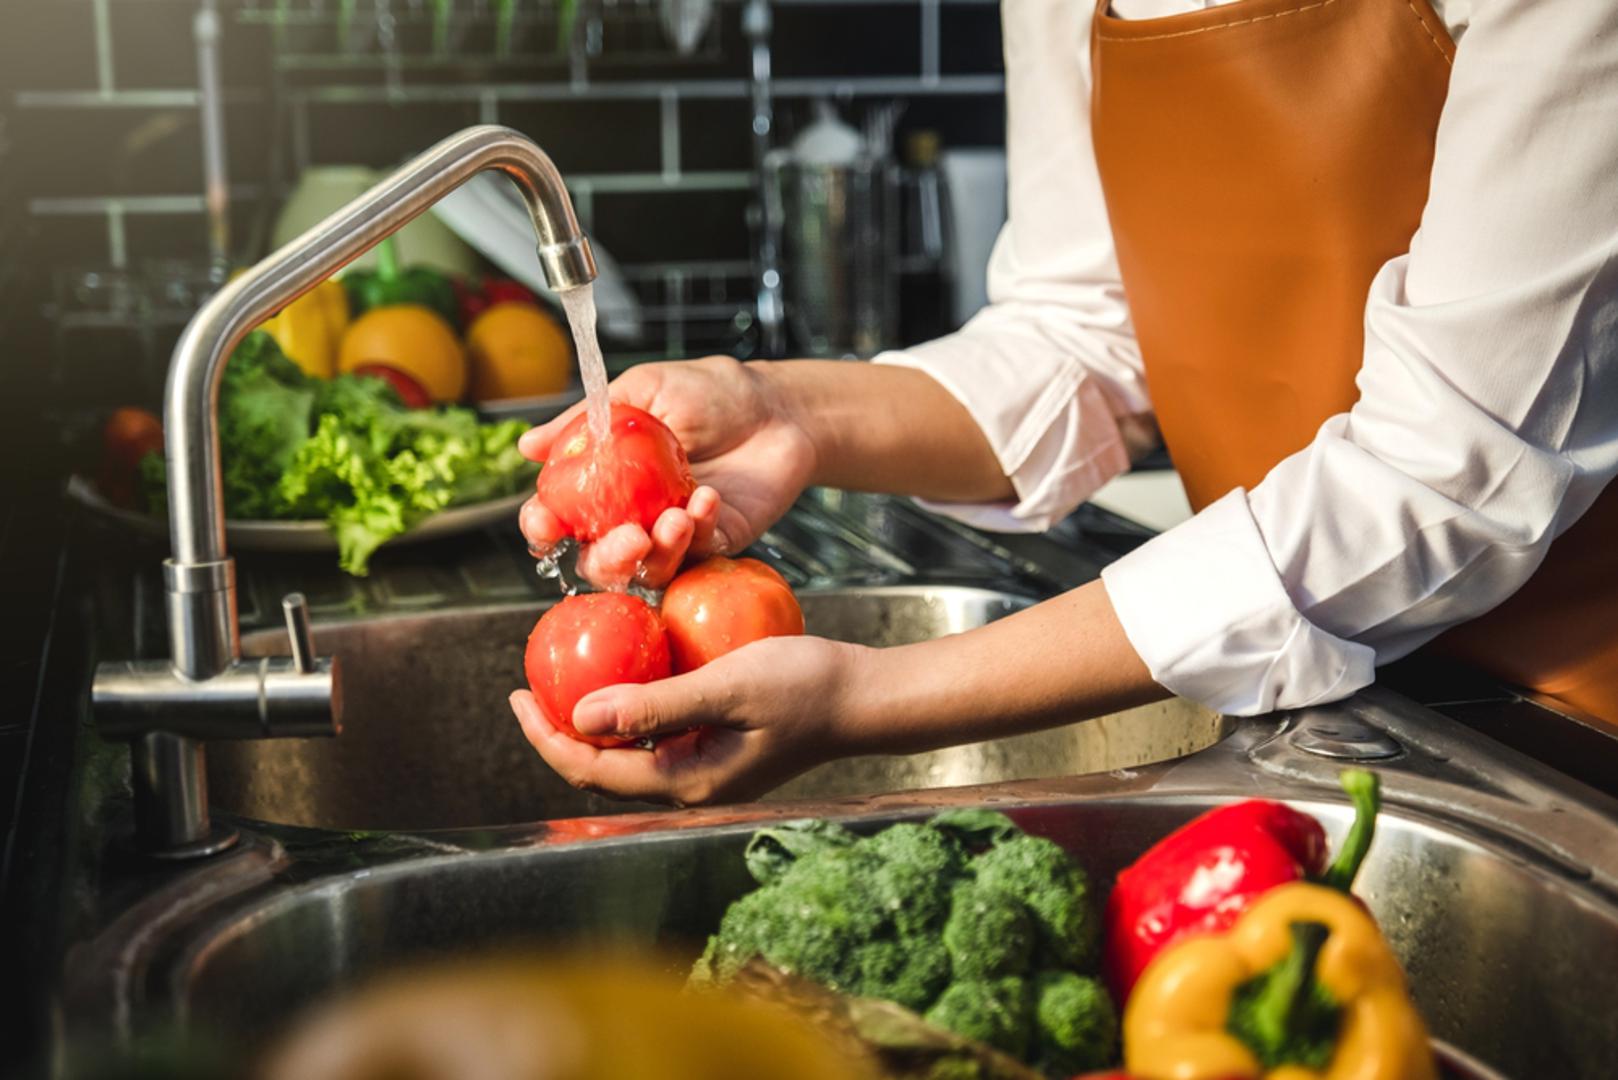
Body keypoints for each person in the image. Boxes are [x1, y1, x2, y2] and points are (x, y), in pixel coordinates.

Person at [511, 0, 1618, 806]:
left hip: (1570, 738)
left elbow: (1441, 474)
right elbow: (1083, 331)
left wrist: (873, 699)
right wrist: (787, 411)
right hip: (1322, 719)